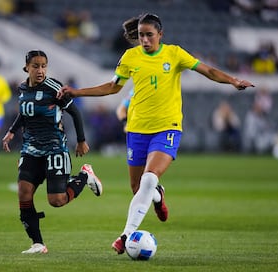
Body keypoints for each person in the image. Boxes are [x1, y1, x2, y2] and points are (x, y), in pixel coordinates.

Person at [57, 13, 254, 255]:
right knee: (137, 187)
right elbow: (112, 87)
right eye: (141, 35)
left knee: (149, 179)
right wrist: (77, 92)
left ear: (160, 35)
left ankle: (125, 235)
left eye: (149, 35)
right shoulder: (130, 57)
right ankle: (158, 197)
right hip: (137, 129)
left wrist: (233, 80)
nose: (145, 40)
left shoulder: (175, 54)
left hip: (168, 127)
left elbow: (208, 71)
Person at [2, 50, 103, 254]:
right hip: (30, 149)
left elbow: (74, 112)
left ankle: (85, 176)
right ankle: (38, 243)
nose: (40, 70)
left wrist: (81, 141)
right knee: (24, 192)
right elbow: (24, 113)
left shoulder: (54, 88)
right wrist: (12, 131)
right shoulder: (22, 89)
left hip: (55, 149)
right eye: (36, 66)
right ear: (26, 68)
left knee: (56, 201)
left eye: (43, 66)